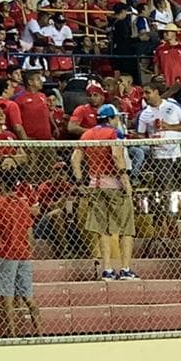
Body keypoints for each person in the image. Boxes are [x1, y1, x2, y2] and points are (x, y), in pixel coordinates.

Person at [73, 103, 138, 280]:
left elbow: (75, 159)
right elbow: (116, 156)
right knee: (126, 227)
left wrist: (80, 181)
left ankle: (107, 269)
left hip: (95, 184)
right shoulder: (113, 133)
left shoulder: (87, 134)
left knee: (103, 229)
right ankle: (125, 268)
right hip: (114, 184)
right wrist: (126, 181)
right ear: (111, 118)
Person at [0, 167, 41, 337]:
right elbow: (29, 231)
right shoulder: (23, 204)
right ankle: (39, 331)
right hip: (23, 252)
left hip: (6, 253)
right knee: (27, 294)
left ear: (1, 183)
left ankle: (11, 333)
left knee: (7, 295)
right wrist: (28, 248)